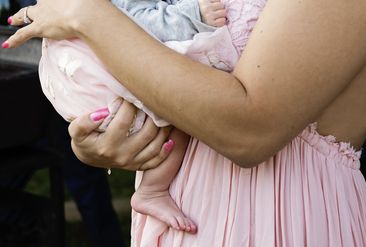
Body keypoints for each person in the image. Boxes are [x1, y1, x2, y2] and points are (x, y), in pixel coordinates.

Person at [3, 0, 366, 246]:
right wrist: (110, 131)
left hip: (281, 218)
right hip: (176, 212)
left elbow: (251, 129)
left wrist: (88, 14)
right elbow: (172, 65)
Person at [38, 0, 232, 233]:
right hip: (99, 78)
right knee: (184, 111)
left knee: (182, 110)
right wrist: (194, 14)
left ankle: (152, 190)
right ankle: (153, 190)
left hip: (90, 70)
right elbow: (138, 24)